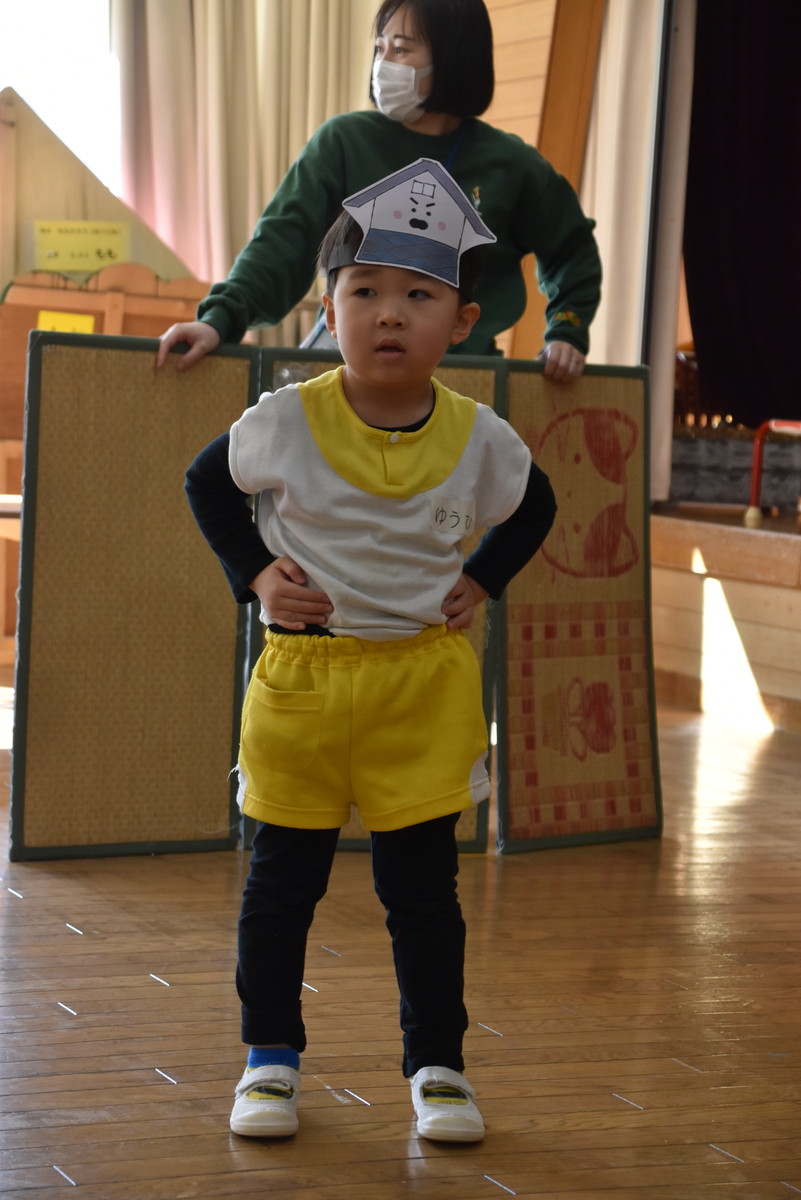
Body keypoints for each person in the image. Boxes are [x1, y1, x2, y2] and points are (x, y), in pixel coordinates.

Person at [185, 159, 557, 1142]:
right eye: (364, 293)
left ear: (461, 322)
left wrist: (484, 578)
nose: (388, 314)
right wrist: (255, 575)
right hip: (303, 686)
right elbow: (206, 484)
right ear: (328, 309)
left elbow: (536, 507)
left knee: (423, 897)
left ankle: (438, 1066)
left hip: (421, 692)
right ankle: (269, 1060)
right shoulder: (284, 420)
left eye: (418, 296)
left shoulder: (480, 437)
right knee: (280, 888)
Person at [159, 0, 601, 382]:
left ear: (452, 58)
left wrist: (567, 331)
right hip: (347, 376)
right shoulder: (342, 142)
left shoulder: (512, 164)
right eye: (379, 48)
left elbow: (572, 250)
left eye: (401, 49)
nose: (383, 62)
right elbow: (279, 244)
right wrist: (220, 320)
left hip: (464, 380)